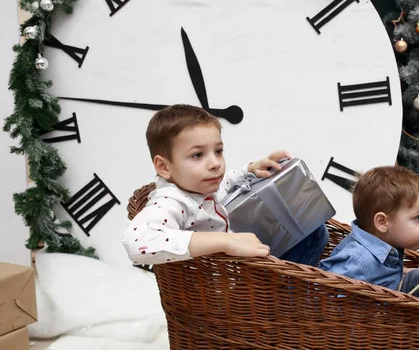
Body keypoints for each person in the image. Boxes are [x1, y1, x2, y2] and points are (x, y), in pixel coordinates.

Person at [123, 104, 327, 266]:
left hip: (238, 264)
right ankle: (295, 301)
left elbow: (226, 182)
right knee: (315, 235)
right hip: (226, 285)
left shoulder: (199, 187)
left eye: (218, 151)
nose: (215, 163)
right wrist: (225, 241)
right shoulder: (170, 203)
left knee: (314, 229)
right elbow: (137, 242)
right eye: (197, 155)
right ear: (164, 167)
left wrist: (252, 168)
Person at [319, 166, 419, 305]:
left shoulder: (387, 244)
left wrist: (399, 272)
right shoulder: (357, 261)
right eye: (418, 217)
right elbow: (325, 297)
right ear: (382, 222)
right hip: (370, 321)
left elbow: (378, 274)